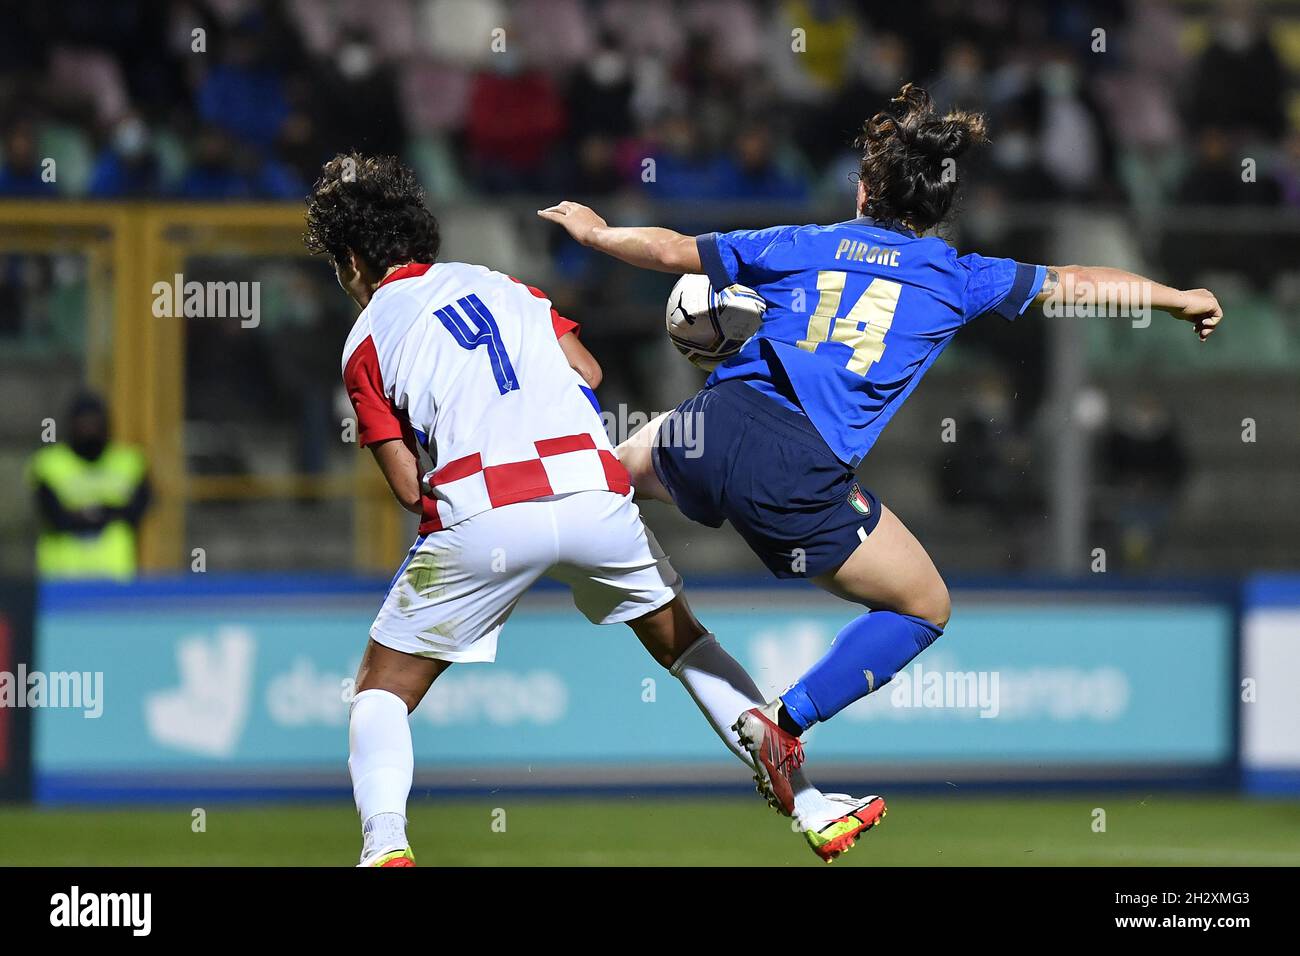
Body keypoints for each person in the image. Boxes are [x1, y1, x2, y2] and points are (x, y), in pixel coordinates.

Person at [539, 83, 1223, 816]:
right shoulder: (961, 277)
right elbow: (1079, 285)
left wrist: (597, 233)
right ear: (937, 212)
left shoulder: (806, 242)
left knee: (610, 471)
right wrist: (1176, 297)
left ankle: (524, 496)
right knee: (925, 606)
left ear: (865, 192)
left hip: (716, 422)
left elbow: (674, 251)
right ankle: (783, 721)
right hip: (798, 473)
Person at [304, 153, 880, 867]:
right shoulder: (502, 284)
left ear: (353, 258)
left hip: (485, 506)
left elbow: (403, 484)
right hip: (594, 489)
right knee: (687, 645)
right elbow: (588, 371)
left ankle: (385, 846)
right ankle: (813, 803)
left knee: (380, 691)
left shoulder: (365, 340)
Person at [28, 391, 151, 580]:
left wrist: (84, 515)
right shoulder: (50, 464)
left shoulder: (129, 462)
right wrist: (106, 512)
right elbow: (53, 516)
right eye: (83, 423)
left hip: (115, 577)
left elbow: (137, 511)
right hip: (61, 578)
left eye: (94, 423)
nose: (89, 429)